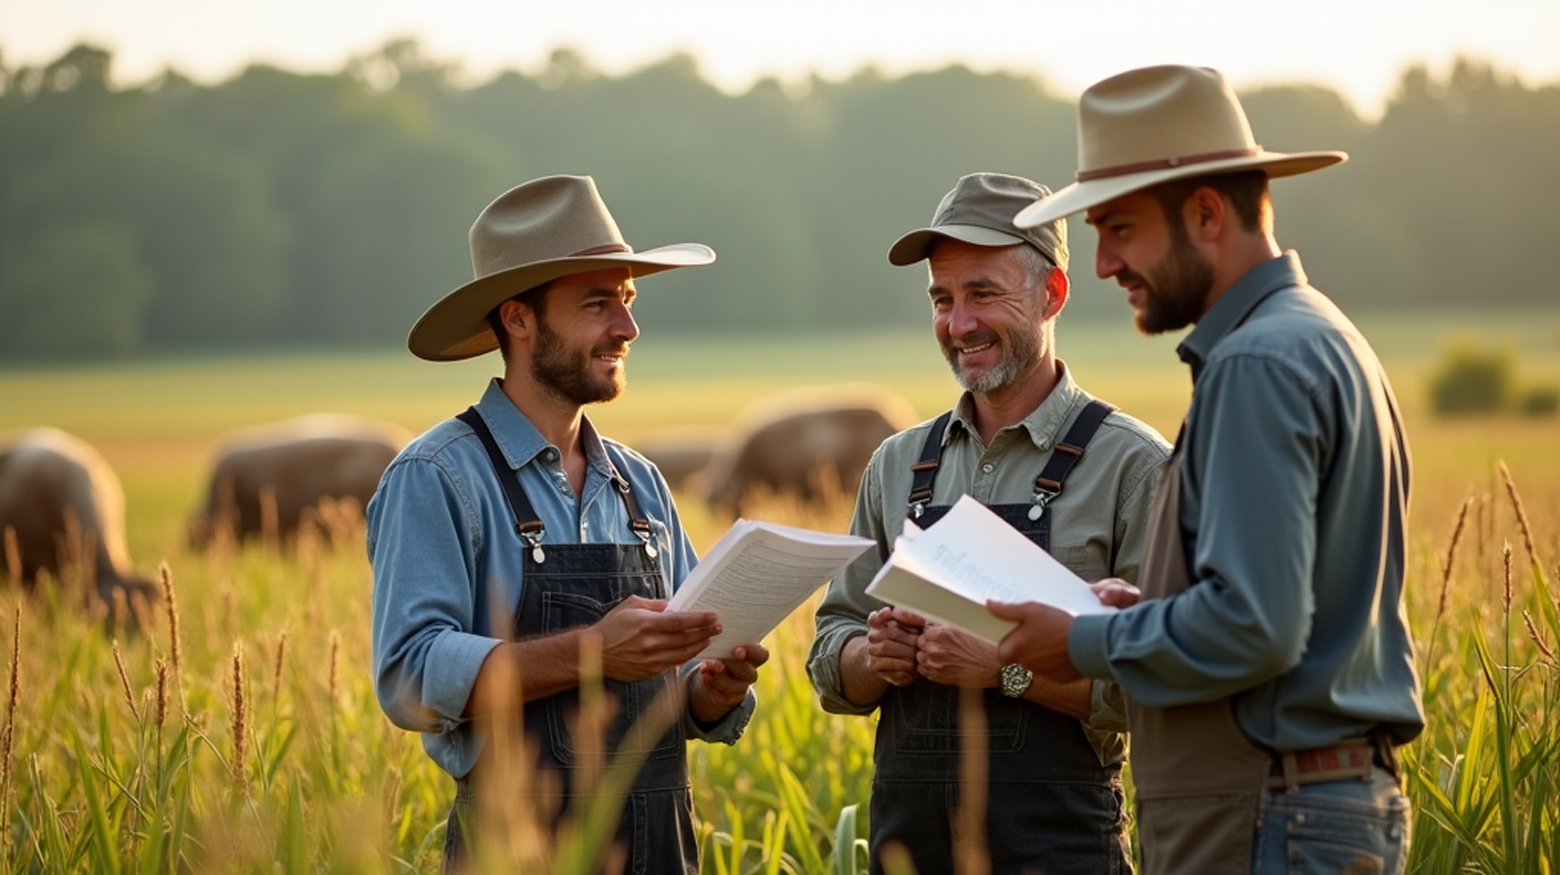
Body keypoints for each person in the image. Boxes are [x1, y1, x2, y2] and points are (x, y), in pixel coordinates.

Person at [991, 65, 1423, 875]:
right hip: (1309, 806)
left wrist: (1084, 638)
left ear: (1205, 211)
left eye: (1119, 228)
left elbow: (1254, 626)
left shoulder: (1254, 364)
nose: (1104, 264)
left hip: (1269, 817)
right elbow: (1284, 602)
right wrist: (1151, 607)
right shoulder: (1323, 338)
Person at [368, 174, 766, 874]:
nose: (628, 327)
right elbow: (409, 674)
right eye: (597, 303)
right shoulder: (435, 476)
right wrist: (592, 652)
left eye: (629, 301)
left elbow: (683, 685)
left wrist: (714, 688)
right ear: (518, 319)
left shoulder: (640, 484)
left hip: (662, 851)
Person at [808, 172, 1171, 875]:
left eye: (983, 294)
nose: (958, 322)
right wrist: (870, 658)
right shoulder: (895, 464)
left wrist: (1007, 669)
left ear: (1052, 294)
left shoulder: (1133, 466)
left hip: (1060, 852)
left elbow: (1161, 685)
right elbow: (831, 656)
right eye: (942, 299)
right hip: (906, 849)